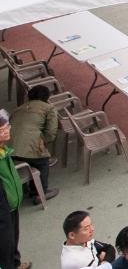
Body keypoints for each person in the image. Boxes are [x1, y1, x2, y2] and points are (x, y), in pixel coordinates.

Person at [8, 85, 59, 202]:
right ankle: (40, 193)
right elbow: (51, 132)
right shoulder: (49, 108)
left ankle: (28, 187)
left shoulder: (18, 109)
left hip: (10, 149)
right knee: (43, 162)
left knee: (29, 159)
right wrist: (43, 142)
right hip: (30, 146)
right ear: (47, 97)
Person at [0, 109, 23, 269]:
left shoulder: (4, 151)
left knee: (13, 238)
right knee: (4, 243)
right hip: (2, 210)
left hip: (11, 204)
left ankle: (15, 263)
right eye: (3, 129)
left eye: (6, 126)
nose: (7, 130)